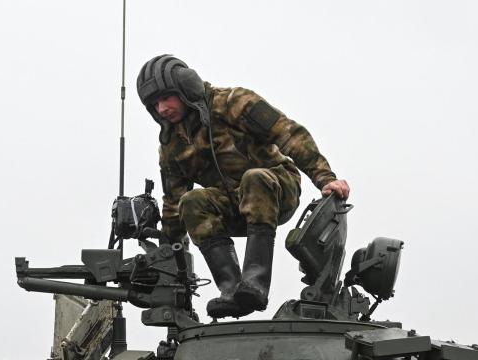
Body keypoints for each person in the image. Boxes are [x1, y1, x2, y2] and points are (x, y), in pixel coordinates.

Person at [136, 55, 350, 318]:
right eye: (154, 104)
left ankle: (255, 284)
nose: (162, 108)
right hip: (234, 207)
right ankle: (233, 290)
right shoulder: (172, 145)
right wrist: (167, 256)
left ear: (186, 87)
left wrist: (325, 178)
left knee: (254, 178)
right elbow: (173, 204)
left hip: (277, 188)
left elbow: (289, 134)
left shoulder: (232, 103)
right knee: (190, 202)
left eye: (166, 97)